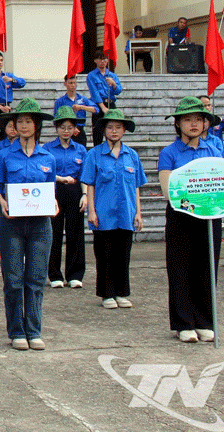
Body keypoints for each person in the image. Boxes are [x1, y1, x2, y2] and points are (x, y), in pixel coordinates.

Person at [0, 98, 57, 351]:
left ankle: (34, 330)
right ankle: (17, 331)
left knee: (37, 278)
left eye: (29, 121)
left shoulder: (48, 156)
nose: (24, 126)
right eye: (20, 122)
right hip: (12, 224)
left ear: (37, 125)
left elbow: (50, 189)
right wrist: (1, 201)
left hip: (40, 225)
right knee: (14, 279)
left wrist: (55, 203)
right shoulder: (4, 154)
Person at [158, 97, 222, 343]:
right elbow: (168, 190)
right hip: (181, 217)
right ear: (178, 124)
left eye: (198, 119)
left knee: (207, 268)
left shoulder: (214, 149)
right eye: (187, 119)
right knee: (180, 269)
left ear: (205, 123)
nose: (194, 124)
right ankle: (183, 322)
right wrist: (191, 201)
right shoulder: (169, 153)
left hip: (209, 216)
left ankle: (205, 320)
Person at [80, 109, 145, 310]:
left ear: (124, 130)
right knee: (104, 254)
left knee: (123, 255)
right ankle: (107, 294)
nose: (114, 131)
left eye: (118, 127)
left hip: (126, 213)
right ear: (104, 130)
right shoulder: (94, 155)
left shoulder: (131, 155)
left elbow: (136, 186)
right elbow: (90, 184)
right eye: (110, 127)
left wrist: (138, 213)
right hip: (103, 213)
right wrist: (91, 211)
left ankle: (122, 292)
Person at [44, 106, 88, 290]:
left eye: (70, 127)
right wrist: (60, 178)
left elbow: (85, 175)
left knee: (75, 233)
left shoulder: (80, 150)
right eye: (62, 127)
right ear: (56, 128)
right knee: (53, 233)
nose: (66, 131)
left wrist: (85, 194)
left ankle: (75, 274)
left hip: (75, 191)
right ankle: (54, 274)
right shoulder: (47, 149)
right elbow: (44, 173)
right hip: (54, 191)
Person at [0, 51, 26, 158]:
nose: (0, 63)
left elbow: (22, 83)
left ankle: (7, 159)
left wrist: (12, 80)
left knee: (7, 136)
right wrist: (1, 107)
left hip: (7, 108)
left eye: (1, 60)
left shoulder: (8, 76)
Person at [86, 49, 123, 147]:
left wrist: (113, 84)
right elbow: (94, 93)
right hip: (99, 106)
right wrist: (103, 107)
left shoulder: (112, 75)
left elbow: (118, 90)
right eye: (100, 59)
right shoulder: (91, 76)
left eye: (105, 59)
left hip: (111, 103)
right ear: (95, 61)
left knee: (113, 131)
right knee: (98, 131)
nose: (103, 61)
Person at [53, 75, 97, 147]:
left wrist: (82, 107)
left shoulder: (82, 99)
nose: (73, 85)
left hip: (80, 131)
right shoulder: (60, 101)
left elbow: (95, 109)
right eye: (70, 83)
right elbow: (55, 119)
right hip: (66, 131)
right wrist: (71, 128)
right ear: (65, 84)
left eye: (74, 83)